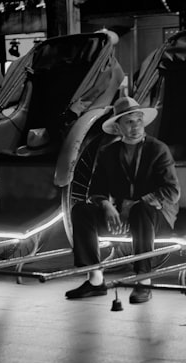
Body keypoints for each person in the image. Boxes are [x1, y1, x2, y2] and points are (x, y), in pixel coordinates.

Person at [66, 95, 180, 304]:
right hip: (120, 218)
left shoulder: (157, 149)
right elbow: (95, 189)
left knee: (140, 210)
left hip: (155, 217)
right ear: (118, 127)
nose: (136, 126)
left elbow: (172, 191)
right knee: (81, 210)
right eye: (129, 122)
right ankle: (95, 279)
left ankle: (143, 281)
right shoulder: (108, 153)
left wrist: (136, 204)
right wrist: (107, 205)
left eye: (138, 120)